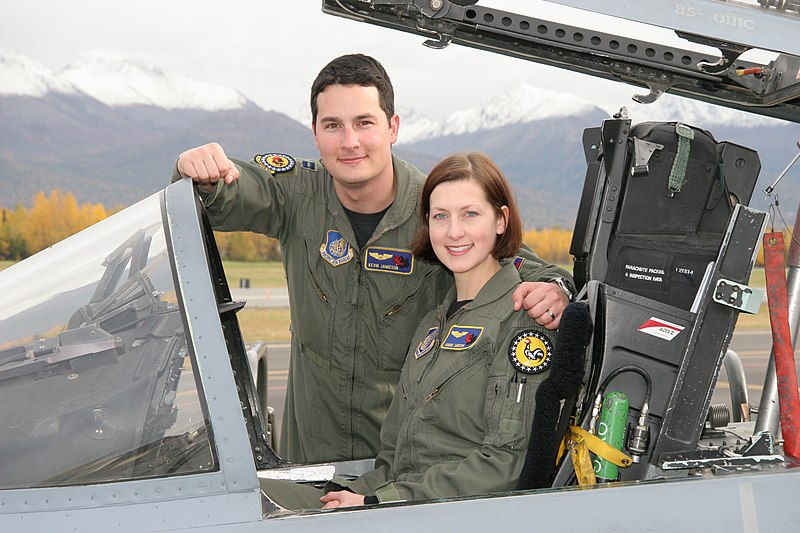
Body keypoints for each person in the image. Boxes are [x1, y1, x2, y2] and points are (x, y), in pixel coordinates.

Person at [173, 54, 574, 463]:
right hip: (308, 458)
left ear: (392, 127)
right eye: (333, 126)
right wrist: (197, 171)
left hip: (394, 465)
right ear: (315, 133)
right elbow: (224, 192)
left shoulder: (433, 209)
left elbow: (520, 262)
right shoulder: (295, 195)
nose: (350, 142)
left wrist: (557, 288)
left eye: (364, 123)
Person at [260, 152, 557, 509]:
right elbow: (394, 460)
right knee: (259, 500)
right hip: (407, 503)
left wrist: (378, 501)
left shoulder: (521, 322)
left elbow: (506, 464)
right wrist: (355, 495)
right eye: (440, 217)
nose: (454, 232)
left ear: (500, 220)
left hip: (453, 513)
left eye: (470, 214)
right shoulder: (433, 324)